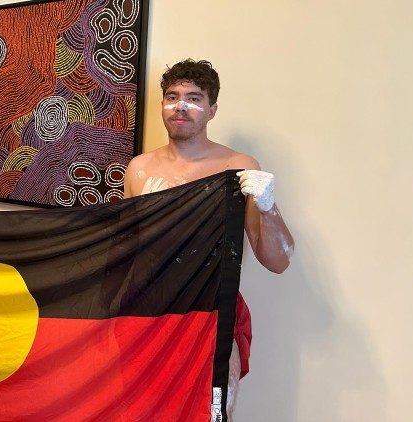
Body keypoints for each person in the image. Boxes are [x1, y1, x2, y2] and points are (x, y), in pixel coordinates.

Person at [124, 59, 294, 419]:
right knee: (149, 411)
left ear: (212, 109)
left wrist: (267, 207)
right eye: (172, 97)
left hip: (213, 316)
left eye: (193, 97)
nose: (180, 106)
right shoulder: (140, 169)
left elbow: (278, 261)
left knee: (211, 412)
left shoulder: (238, 167)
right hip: (153, 315)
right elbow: (129, 252)